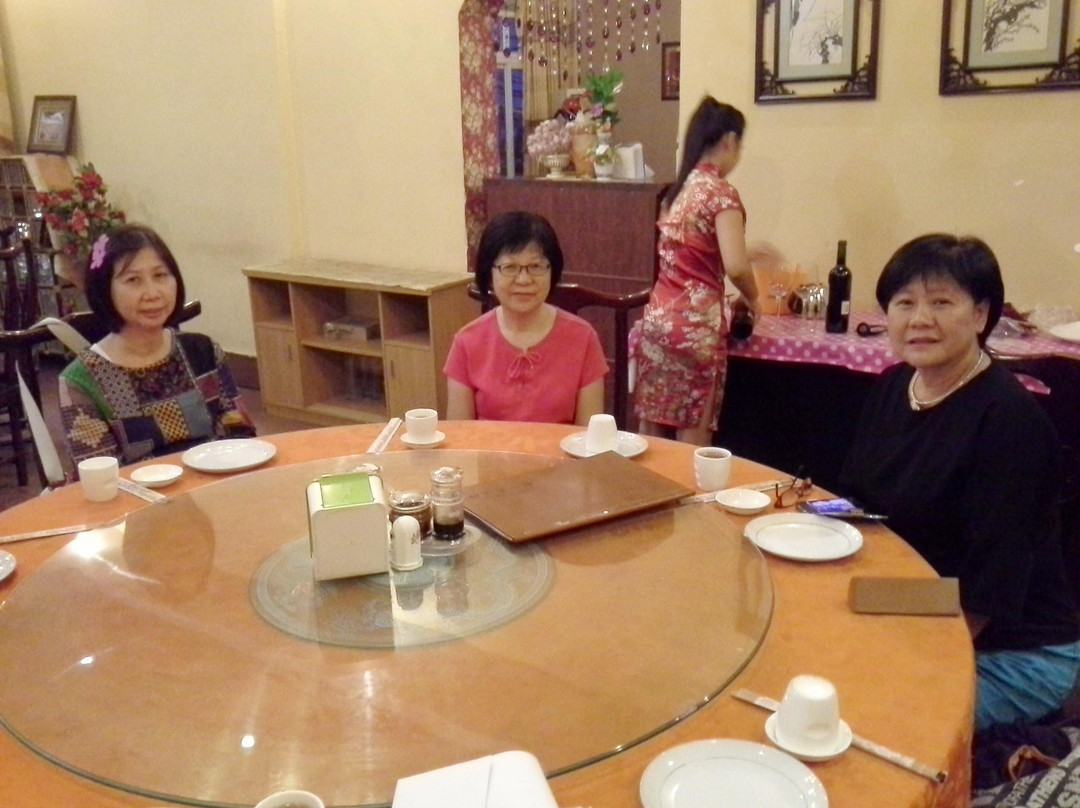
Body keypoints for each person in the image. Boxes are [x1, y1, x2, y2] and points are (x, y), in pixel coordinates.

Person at [838, 234, 1080, 731]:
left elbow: (990, 590)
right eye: (904, 302)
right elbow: (858, 500)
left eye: (942, 302)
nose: (919, 319)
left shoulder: (1010, 422)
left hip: (1013, 650)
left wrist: (905, 666)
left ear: (980, 314)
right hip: (921, 598)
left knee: (865, 717)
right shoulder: (893, 386)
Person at [59, 224, 255, 468]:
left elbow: (241, 437)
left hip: (213, 483)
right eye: (133, 280)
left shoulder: (203, 352)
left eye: (161, 275)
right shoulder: (82, 380)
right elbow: (100, 476)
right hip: (136, 492)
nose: (152, 293)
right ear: (104, 289)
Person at [633, 96, 761, 445]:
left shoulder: (675, 194)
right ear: (729, 141)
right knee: (691, 444)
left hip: (659, 322)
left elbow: (692, 253)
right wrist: (754, 297)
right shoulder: (720, 193)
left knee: (651, 435)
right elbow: (736, 267)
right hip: (695, 330)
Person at [444, 211, 607, 425]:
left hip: (561, 449)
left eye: (536, 266)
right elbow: (460, 435)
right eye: (509, 267)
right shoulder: (467, 342)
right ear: (489, 274)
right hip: (488, 448)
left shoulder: (583, 338)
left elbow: (589, 436)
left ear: (552, 271)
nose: (523, 280)